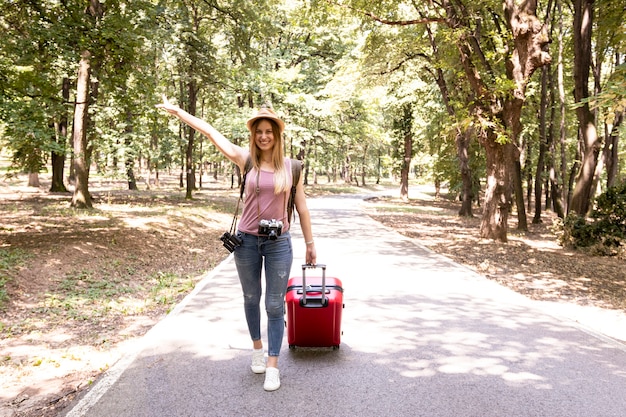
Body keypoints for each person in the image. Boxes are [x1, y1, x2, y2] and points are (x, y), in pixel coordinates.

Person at [156, 96, 316, 391]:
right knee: (251, 298)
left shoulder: (292, 168)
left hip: (279, 242)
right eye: (259, 131)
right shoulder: (246, 160)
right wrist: (179, 111)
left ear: (277, 135)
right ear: (254, 135)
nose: (264, 136)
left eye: (269, 131)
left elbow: (302, 207)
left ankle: (272, 365)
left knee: (274, 305)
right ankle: (257, 348)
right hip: (246, 242)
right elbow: (211, 132)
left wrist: (310, 242)